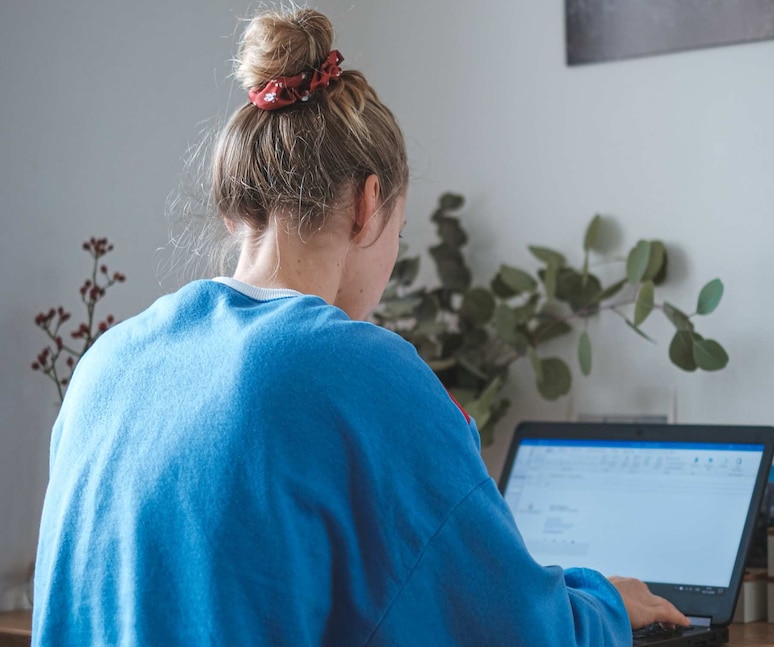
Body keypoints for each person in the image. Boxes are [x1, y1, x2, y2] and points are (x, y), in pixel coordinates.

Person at [32, 7, 688, 645]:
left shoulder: (106, 364)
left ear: (239, 210)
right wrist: (601, 602)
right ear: (368, 205)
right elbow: (509, 625)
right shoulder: (356, 370)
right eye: (398, 232)